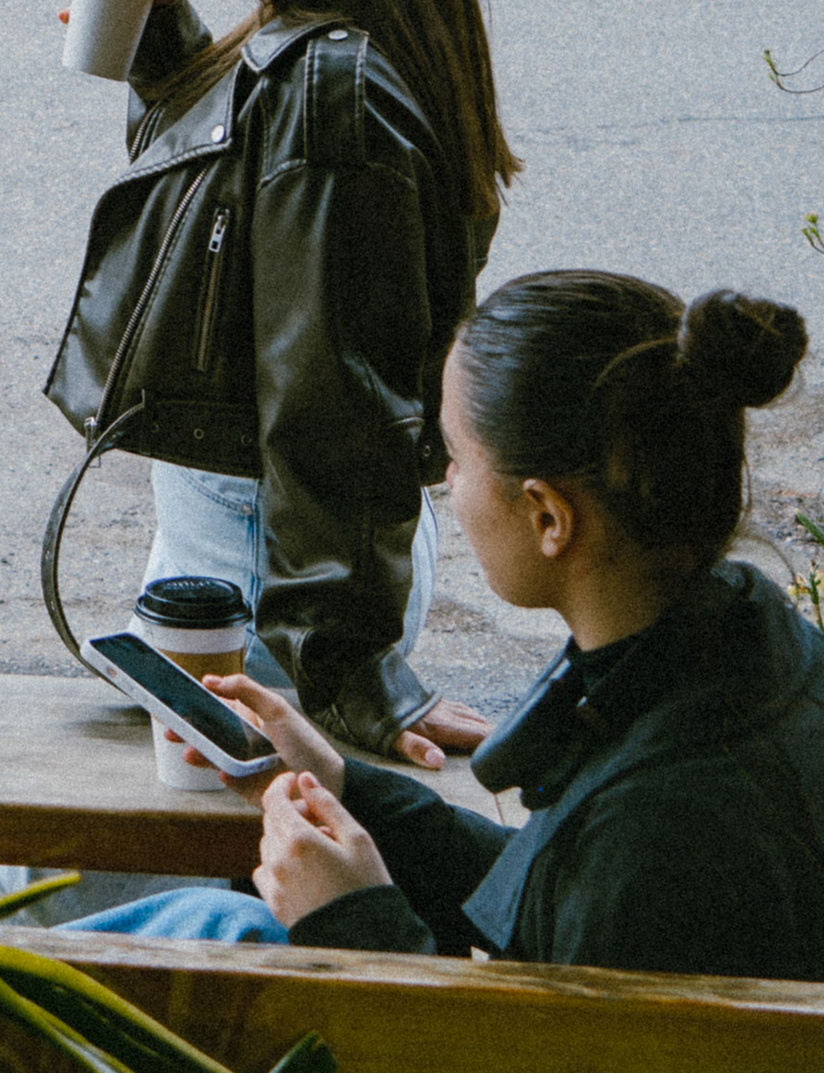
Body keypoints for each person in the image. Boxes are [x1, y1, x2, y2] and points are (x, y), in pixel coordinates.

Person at [78, 274, 824, 977]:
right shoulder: (745, 646)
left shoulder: (658, 836)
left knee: (188, 928)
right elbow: (547, 881)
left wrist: (354, 917)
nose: (444, 484)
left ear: (549, 517)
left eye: (457, 458)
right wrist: (343, 784)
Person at [46, 0, 518, 758]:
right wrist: (164, 45)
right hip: (278, 541)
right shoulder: (356, 40)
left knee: (175, 866)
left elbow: (328, 387)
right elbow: (238, 230)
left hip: (271, 553)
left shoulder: (325, 85)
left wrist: (346, 670)